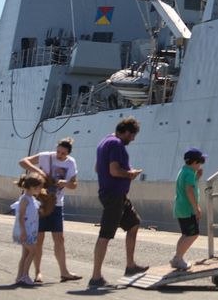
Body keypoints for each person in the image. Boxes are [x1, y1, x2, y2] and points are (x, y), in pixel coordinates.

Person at [88, 117, 147, 288]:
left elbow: (98, 168)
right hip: (113, 195)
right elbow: (114, 170)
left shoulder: (104, 141)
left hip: (117, 195)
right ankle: (96, 277)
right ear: (127, 132)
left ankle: (130, 266)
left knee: (134, 224)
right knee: (105, 235)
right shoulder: (116, 144)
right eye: (133, 135)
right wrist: (130, 173)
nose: (133, 139)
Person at [19, 137, 80, 282]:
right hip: (39, 203)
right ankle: (38, 272)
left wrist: (65, 182)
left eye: (63, 154)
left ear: (68, 154)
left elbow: (74, 184)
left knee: (59, 238)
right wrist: (39, 172)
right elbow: (23, 161)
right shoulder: (46, 156)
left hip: (56, 204)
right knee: (39, 239)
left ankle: (64, 272)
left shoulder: (71, 163)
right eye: (58, 151)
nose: (59, 155)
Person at [170, 148, 205, 270]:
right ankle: (178, 259)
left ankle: (177, 257)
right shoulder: (190, 173)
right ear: (195, 162)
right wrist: (197, 208)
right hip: (188, 209)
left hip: (180, 208)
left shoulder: (184, 171)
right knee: (193, 234)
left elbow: (187, 185)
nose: (201, 164)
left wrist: (197, 177)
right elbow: (189, 190)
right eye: (200, 161)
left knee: (185, 234)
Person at [12, 173, 44, 286]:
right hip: (25, 231)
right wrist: (23, 231)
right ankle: (25, 275)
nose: (41, 189)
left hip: (30, 231)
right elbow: (21, 216)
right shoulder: (25, 199)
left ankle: (19, 276)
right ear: (32, 187)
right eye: (40, 187)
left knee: (25, 254)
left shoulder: (31, 199)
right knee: (33, 251)